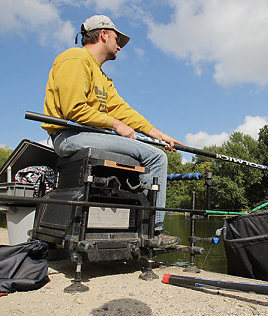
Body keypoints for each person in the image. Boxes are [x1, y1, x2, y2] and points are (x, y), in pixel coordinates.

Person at [41, 14, 182, 248]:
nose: (119, 46)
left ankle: (129, 224)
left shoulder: (103, 79)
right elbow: (72, 109)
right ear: (103, 34)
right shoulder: (75, 58)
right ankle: (153, 231)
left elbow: (124, 111)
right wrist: (115, 125)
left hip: (90, 135)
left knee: (147, 151)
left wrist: (158, 133)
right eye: (117, 39)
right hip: (69, 137)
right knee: (156, 157)